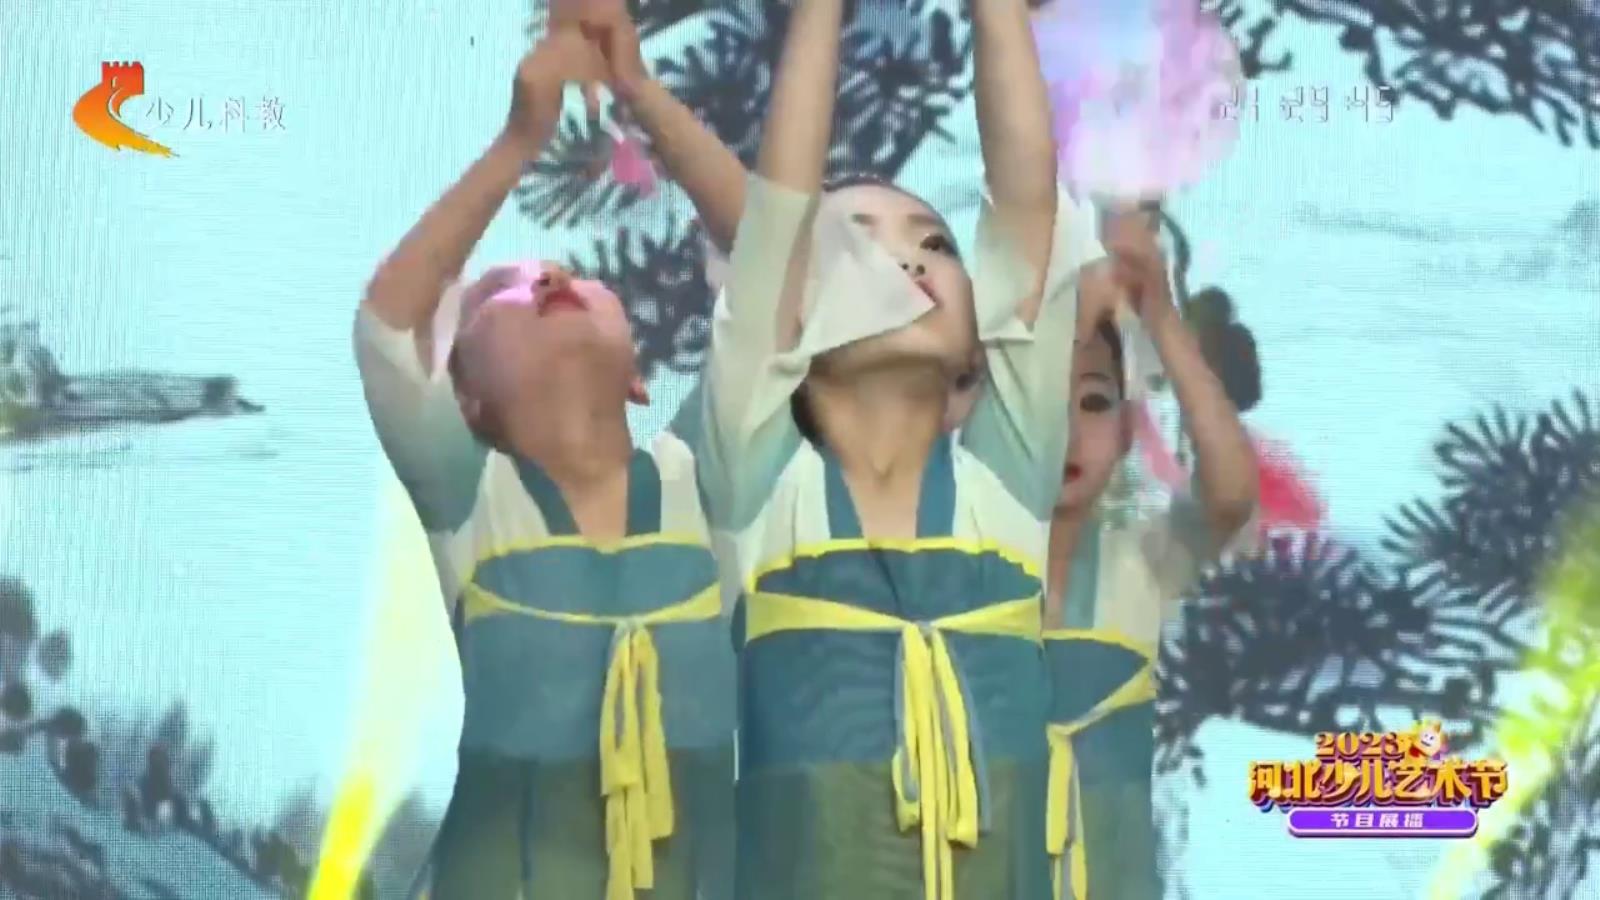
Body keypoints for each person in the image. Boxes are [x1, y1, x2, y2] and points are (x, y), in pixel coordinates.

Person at [692, 0, 1111, 894]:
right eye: (861, 241)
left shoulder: (1004, 482)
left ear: (975, 352)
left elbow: (1024, 204)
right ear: (795, 318)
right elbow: (777, 218)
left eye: (936, 245)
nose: (913, 259)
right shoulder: (761, 491)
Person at [352, 11, 746, 898]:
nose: (552, 278)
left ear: (640, 377)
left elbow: (776, 273)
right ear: (465, 400)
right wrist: (521, 139)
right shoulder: (475, 499)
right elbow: (387, 329)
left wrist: (640, 92)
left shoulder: (705, 477)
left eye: (573, 278)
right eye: (505, 289)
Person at [1040, 210, 1259, 900]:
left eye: (1093, 402)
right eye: (1038, 398)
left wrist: (1161, 314)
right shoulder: (950, 563)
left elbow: (1230, 495)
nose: (1068, 429)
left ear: (1129, 431)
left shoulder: (1141, 560)